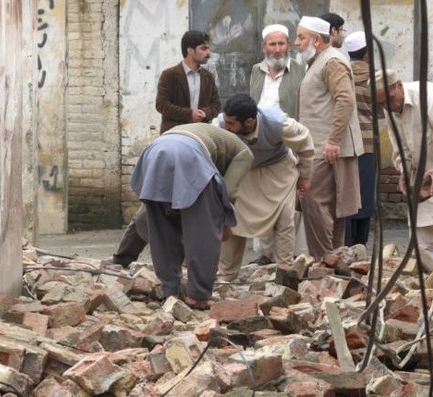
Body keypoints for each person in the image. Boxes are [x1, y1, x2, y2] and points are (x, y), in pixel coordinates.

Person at [105, 30, 221, 267]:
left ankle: (186, 263)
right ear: (190, 50)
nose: (208, 53)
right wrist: (189, 114)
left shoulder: (208, 77)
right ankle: (122, 258)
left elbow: (216, 104)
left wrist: (206, 114)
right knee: (152, 205)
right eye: (204, 48)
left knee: (191, 205)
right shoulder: (170, 75)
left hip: (198, 148)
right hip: (170, 146)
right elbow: (162, 105)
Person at [131, 123, 253, 309]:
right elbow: (228, 191)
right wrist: (223, 221)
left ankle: (170, 290)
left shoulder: (207, 131)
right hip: (189, 156)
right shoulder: (243, 152)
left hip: (154, 153)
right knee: (203, 233)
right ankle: (198, 295)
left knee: (161, 230)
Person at [216, 94, 314, 282]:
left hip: (278, 171)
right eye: (226, 121)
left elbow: (305, 143)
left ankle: (285, 272)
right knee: (233, 218)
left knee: (285, 218)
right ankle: (226, 276)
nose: (226, 126)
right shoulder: (220, 125)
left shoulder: (279, 124)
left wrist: (305, 175)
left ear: (250, 122)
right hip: (244, 171)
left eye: (231, 123)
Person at [295, 16, 364, 261]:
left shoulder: (331, 61)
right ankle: (333, 263)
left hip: (326, 148)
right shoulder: (318, 61)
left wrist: (334, 140)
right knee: (328, 207)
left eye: (301, 37)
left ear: (316, 39)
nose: (297, 43)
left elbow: (345, 99)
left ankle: (324, 261)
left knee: (313, 201)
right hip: (321, 147)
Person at [374, 69, 433, 263]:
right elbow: (400, 144)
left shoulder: (428, 97)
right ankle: (431, 279)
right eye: (381, 103)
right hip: (425, 172)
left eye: (389, 99)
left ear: (399, 85)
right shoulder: (389, 107)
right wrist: (404, 171)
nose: (387, 105)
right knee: (421, 247)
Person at [249, 23, 308, 265]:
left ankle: (292, 254)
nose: (277, 49)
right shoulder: (256, 70)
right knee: (260, 198)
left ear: (288, 45)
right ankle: (264, 253)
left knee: (289, 202)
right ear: (264, 47)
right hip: (261, 145)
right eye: (272, 44)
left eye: (281, 43)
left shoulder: (300, 69)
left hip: (289, 143)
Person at [344, 31, 381, 246]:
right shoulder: (374, 76)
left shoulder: (341, 72)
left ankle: (345, 241)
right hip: (367, 142)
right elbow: (380, 111)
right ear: (367, 53)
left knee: (347, 192)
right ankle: (360, 243)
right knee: (365, 193)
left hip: (346, 143)